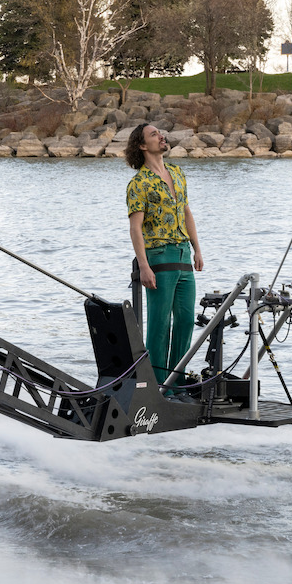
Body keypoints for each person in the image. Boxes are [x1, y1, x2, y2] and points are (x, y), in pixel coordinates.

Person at [125, 124, 203, 390]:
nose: (161, 136)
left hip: (183, 254)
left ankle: (176, 384)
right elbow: (136, 228)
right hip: (159, 257)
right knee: (160, 324)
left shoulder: (177, 173)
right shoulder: (139, 183)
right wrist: (144, 266)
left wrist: (197, 249)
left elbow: (187, 213)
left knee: (185, 321)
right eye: (154, 134)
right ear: (143, 146)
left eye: (160, 132)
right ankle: (155, 386)